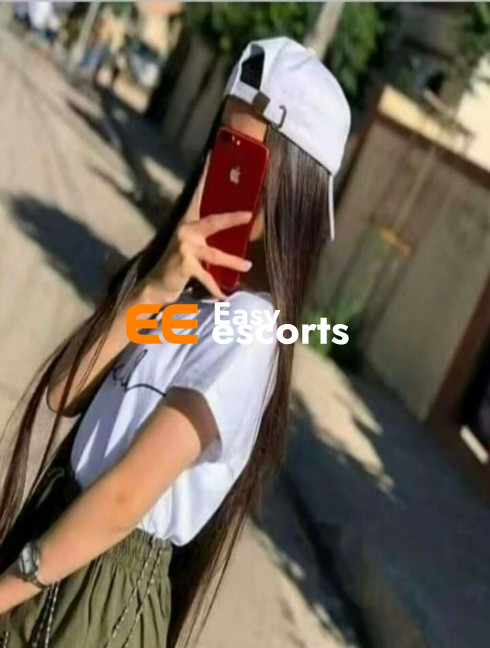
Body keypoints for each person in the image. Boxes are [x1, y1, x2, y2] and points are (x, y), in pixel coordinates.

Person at [0, 37, 350, 647]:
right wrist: (158, 286)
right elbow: (63, 392)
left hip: (100, 594)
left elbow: (125, 497)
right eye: (223, 145)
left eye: (246, 159)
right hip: (60, 543)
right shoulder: (180, 295)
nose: (225, 173)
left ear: (292, 184)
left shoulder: (251, 331)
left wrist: (7, 588)